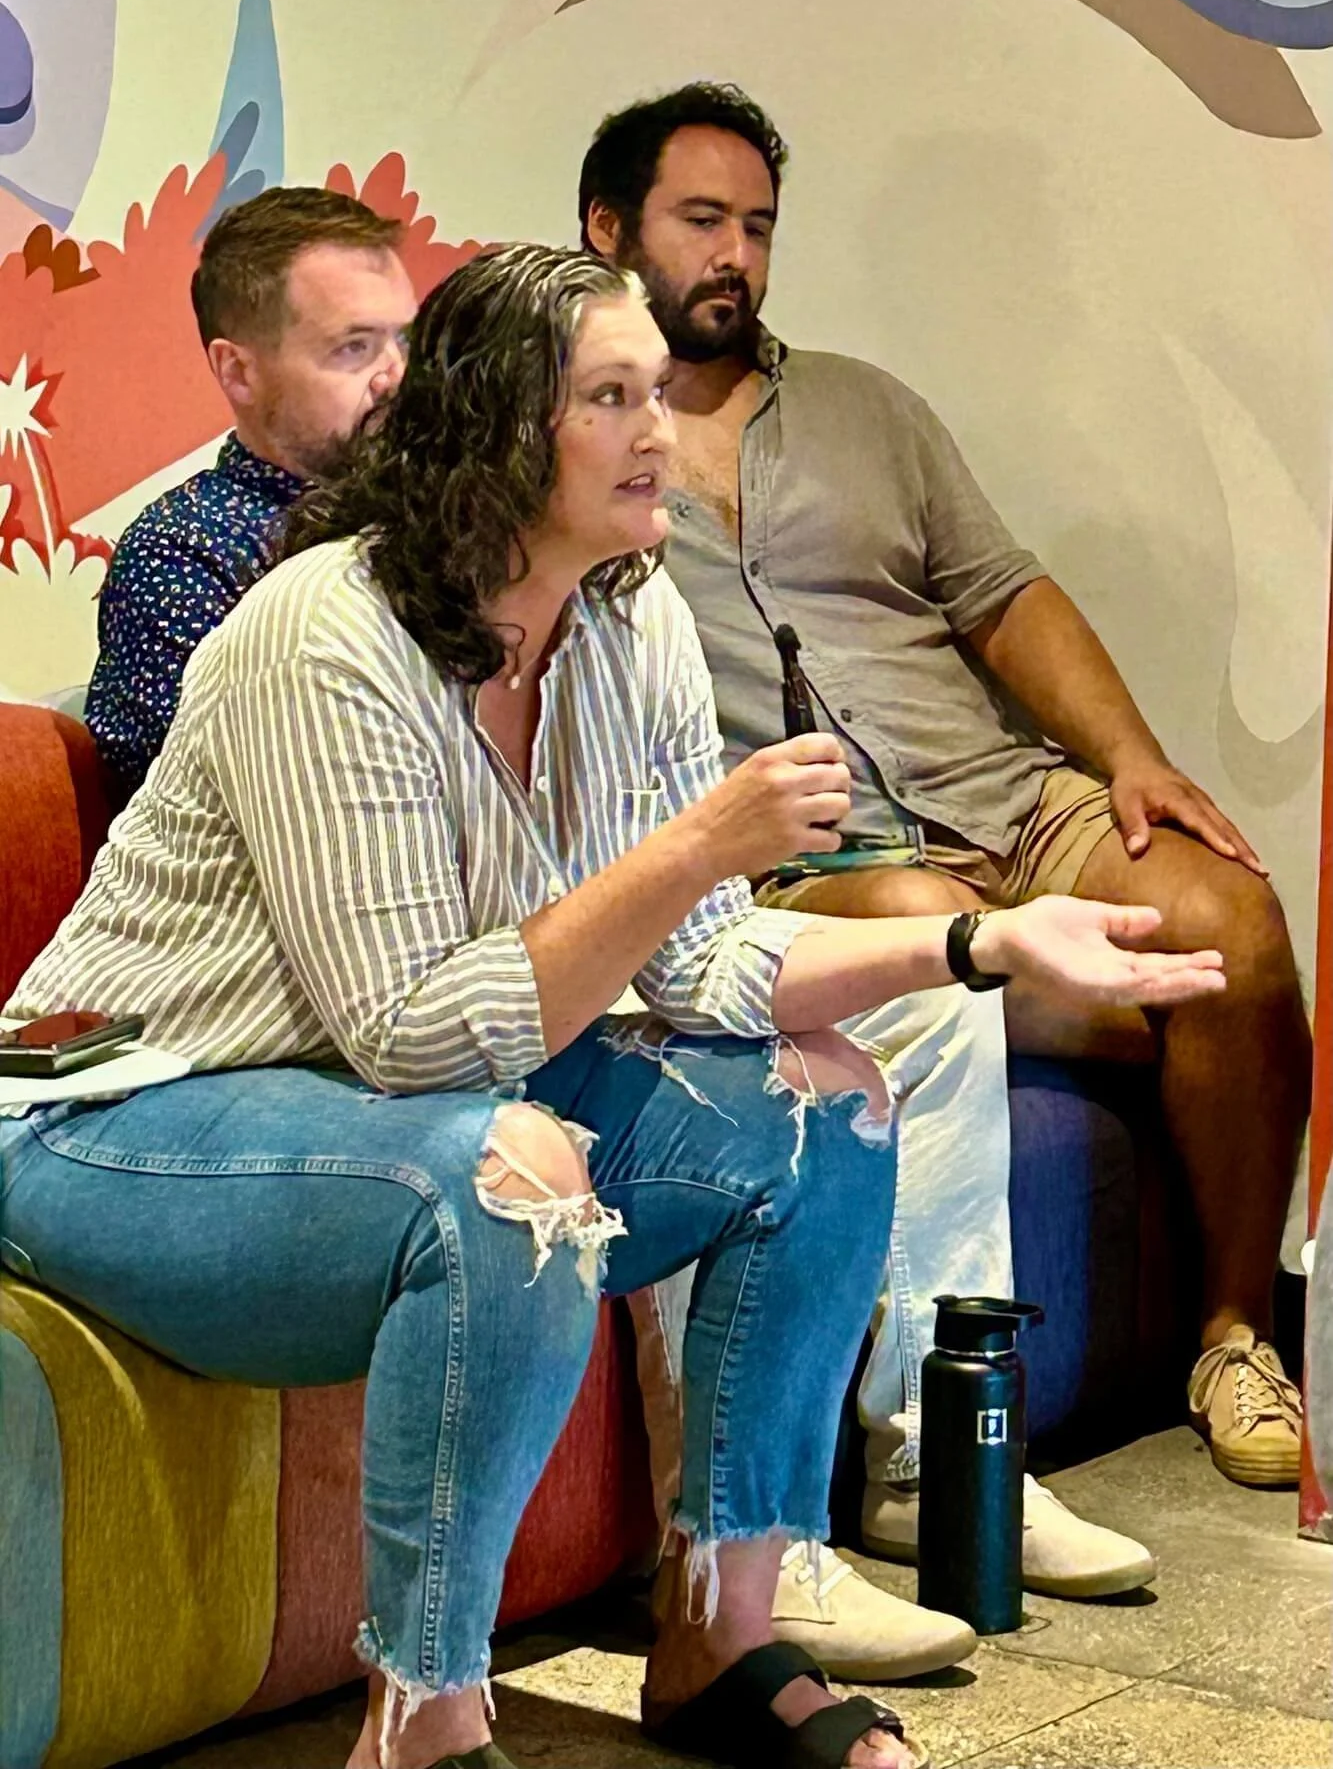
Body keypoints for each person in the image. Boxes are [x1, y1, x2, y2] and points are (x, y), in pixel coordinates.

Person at [1, 245, 1226, 1769]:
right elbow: (410, 1034)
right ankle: (426, 1722)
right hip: (126, 1114)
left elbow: (705, 965)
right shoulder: (323, 634)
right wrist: (695, 844)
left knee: (826, 1098)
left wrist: (982, 947)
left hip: (379, 1112)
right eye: (613, 397)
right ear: (498, 429)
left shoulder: (627, 617)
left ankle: (723, 1636)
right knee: (512, 1173)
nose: (662, 430)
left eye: (657, 390)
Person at [579, 82, 1309, 1529]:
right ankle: (936, 1430)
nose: (736, 256)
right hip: (806, 856)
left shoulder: (864, 407)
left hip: (999, 799)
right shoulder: (578, 439)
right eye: (702, 221)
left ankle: (1236, 1339)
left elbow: (998, 593)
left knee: (1229, 921)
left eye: (760, 229)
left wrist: (1131, 761)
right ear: (609, 228)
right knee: (929, 928)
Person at [84, 185, 418, 803]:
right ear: (238, 371)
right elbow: (235, 795)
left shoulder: (437, 516)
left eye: (403, 340)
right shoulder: (181, 553)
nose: (396, 376)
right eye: (354, 347)